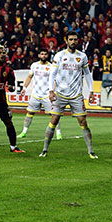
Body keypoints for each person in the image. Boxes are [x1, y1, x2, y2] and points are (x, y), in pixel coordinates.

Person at [40, 30, 97, 158]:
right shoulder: (59, 56)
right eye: (70, 39)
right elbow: (52, 74)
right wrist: (51, 91)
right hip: (60, 94)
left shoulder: (82, 56)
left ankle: (91, 151)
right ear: (66, 41)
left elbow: (87, 74)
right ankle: (44, 149)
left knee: (83, 121)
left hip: (76, 95)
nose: (73, 42)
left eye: (75, 39)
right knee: (54, 120)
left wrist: (91, 90)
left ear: (78, 41)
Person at [17, 48, 62, 139]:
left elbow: (55, 81)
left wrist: (53, 92)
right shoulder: (34, 65)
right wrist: (24, 88)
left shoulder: (51, 66)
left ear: (47, 55)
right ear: (39, 55)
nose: (43, 56)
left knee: (54, 114)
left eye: (45, 54)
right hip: (35, 94)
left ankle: (58, 133)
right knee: (30, 112)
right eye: (42, 54)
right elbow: (29, 77)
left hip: (47, 95)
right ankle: (24, 132)